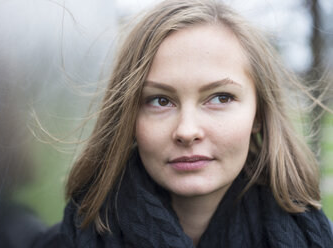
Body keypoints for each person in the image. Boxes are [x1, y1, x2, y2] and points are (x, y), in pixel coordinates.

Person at [33, 0, 333, 247]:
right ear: (128, 117)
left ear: (258, 114)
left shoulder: (313, 239)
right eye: (160, 101)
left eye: (220, 98)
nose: (187, 131)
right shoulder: (65, 241)